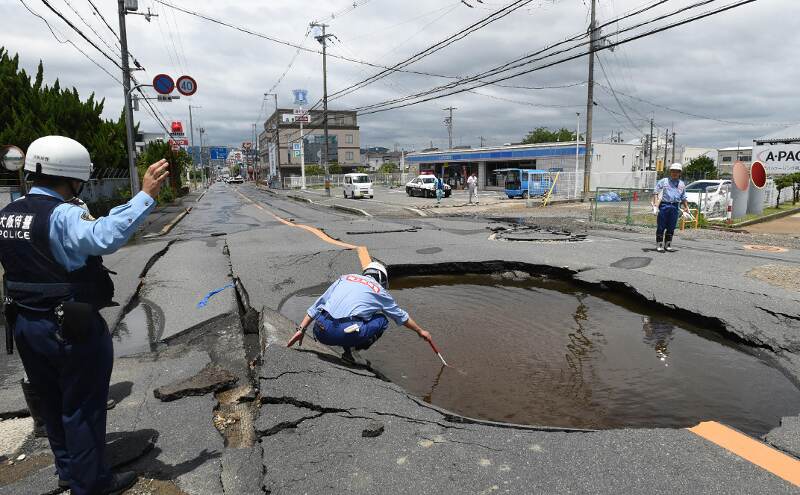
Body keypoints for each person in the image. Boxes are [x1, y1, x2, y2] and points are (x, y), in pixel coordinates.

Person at [0, 135, 170, 495]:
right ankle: (91, 483)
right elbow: (102, 235)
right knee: (82, 406)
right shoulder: (62, 214)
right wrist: (145, 196)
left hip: (25, 324)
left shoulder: (8, 214)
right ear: (73, 176)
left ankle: (68, 470)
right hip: (68, 326)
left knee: (51, 402)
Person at [290, 262, 434, 363]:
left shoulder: (344, 278)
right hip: (343, 333)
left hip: (320, 330)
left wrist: (301, 330)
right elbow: (401, 316)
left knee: (355, 316)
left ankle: (348, 349)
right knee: (382, 319)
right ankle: (352, 351)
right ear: (382, 278)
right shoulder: (380, 291)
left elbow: (318, 304)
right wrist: (420, 331)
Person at [651, 163, 691, 253]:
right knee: (661, 226)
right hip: (664, 205)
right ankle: (659, 245)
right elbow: (655, 192)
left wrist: (686, 207)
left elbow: (683, 197)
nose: (675, 173)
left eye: (677, 171)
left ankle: (668, 245)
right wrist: (655, 205)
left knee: (671, 227)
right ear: (670, 172)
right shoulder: (664, 181)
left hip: (675, 206)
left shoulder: (681, 184)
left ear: (680, 173)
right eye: (673, 171)